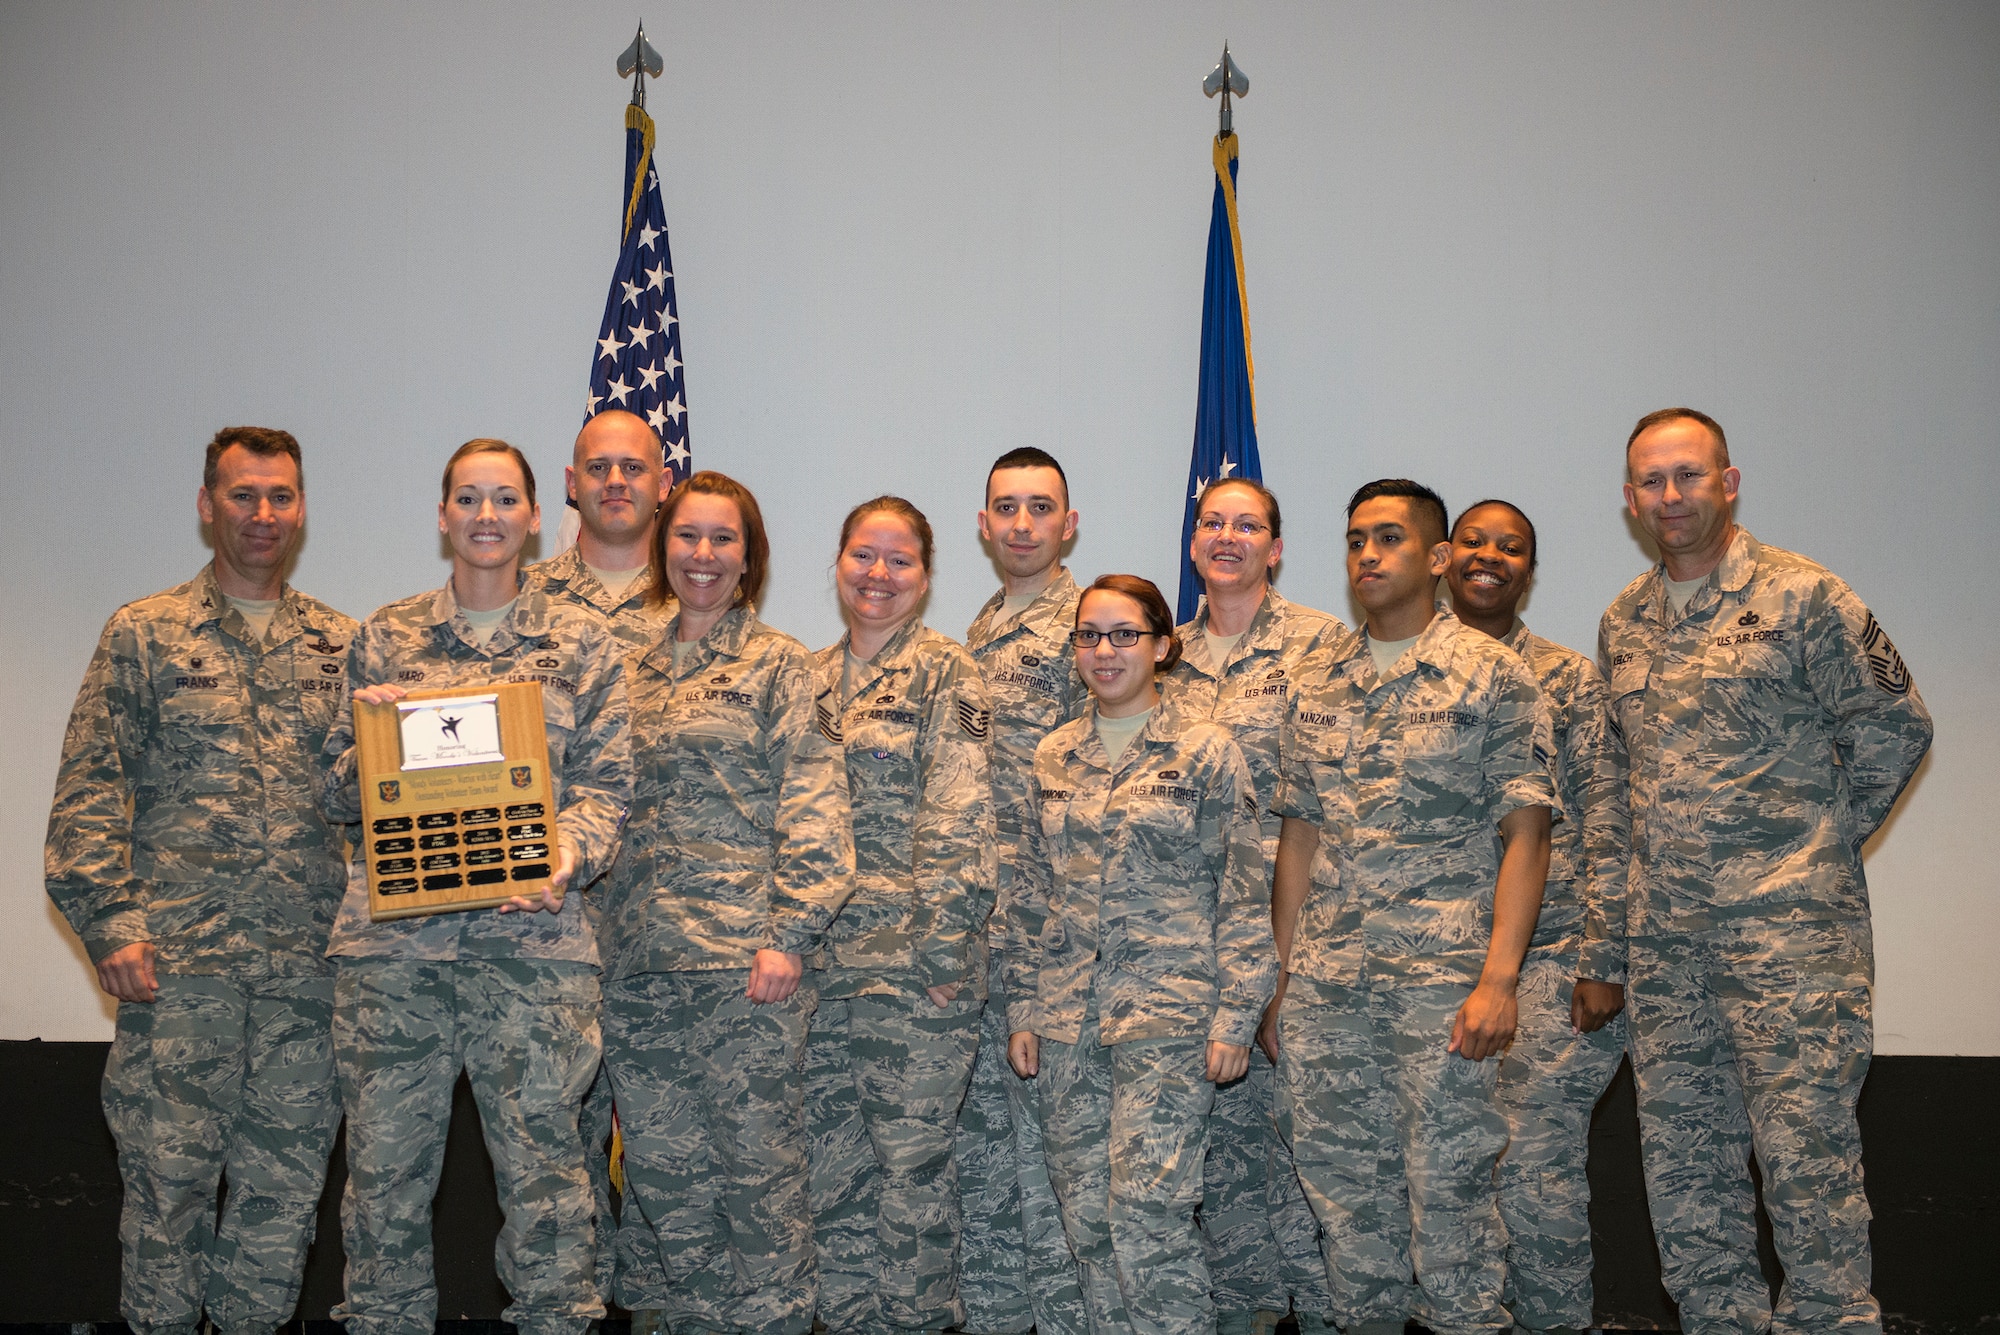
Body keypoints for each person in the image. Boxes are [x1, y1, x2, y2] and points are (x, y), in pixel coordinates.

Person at [1601, 408, 1932, 1334]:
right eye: (1652, 481)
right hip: (1667, 951)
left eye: (1689, 475)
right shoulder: (1623, 621)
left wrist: (1811, 850)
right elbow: (1626, 780)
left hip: (1787, 939)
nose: (1671, 496)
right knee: (1687, 1169)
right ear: (1629, 498)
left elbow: (1895, 725)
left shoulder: (1804, 596)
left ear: (1729, 481)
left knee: (1806, 1158)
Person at [46, 426, 354, 1335]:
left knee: (280, 1207)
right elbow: (89, 791)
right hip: (178, 974)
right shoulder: (144, 634)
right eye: (243, 494)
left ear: (301, 508)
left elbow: (376, 809)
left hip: (308, 979)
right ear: (205, 503)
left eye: (281, 496)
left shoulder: (343, 646)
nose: (264, 515)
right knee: (167, 1198)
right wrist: (110, 925)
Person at [320, 438, 632, 1335]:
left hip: (532, 950)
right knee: (381, 1180)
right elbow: (339, 792)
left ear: (538, 517)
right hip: (393, 956)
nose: (486, 515)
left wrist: (565, 854)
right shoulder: (384, 636)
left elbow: (609, 789)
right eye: (468, 498)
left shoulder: (583, 643)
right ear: (443, 514)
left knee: (545, 1183)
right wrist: (371, 742)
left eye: (505, 499)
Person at [1271, 479, 1556, 1335]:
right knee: (1345, 1207)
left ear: (1436, 558)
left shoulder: (1496, 674)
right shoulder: (1314, 679)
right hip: (1329, 989)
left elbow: (1527, 836)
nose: (1368, 554)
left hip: (1444, 987)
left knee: (1453, 1201)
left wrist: (1500, 980)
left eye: (1390, 538)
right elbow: (1298, 841)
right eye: (1357, 538)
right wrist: (1284, 983)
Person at [595, 469, 854, 1335]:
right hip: (635, 967)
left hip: (746, 969)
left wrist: (789, 934)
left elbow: (816, 807)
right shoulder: (619, 666)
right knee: (668, 1181)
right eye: (687, 536)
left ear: (750, 556)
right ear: (661, 545)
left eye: (723, 539)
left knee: (759, 1178)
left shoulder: (780, 664)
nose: (702, 555)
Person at [1007, 574, 1272, 1335]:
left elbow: (1243, 890)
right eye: (1089, 634)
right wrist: (1025, 1007)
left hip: (1169, 1016)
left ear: (1162, 645)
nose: (1104, 649)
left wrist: (1237, 1013)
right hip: (1066, 1023)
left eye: (1125, 634)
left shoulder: (1207, 751)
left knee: (1149, 1219)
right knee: (1087, 1220)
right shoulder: (1054, 754)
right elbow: (1030, 895)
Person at [805, 496, 995, 1335]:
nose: (877, 575)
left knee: (910, 1177)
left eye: (899, 560)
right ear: (839, 561)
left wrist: (945, 957)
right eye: (862, 555)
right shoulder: (804, 678)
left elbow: (959, 817)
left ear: (925, 576)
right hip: (815, 971)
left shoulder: (947, 673)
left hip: (913, 971)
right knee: (833, 1178)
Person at [1444, 498, 1630, 1335]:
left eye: (1510, 547)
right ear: (1444, 557)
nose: (1490, 556)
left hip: (1554, 960)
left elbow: (1608, 816)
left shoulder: (1566, 679)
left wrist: (1604, 957)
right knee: (1451, 1174)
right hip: (1437, 966)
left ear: (1529, 568)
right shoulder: (1410, 673)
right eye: (1475, 542)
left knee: (1532, 1166)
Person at [1165, 477, 1344, 1335]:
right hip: (1190, 945)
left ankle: (1327, 1314)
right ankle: (1245, 1313)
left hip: (1305, 938)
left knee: (1311, 1161)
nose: (1227, 536)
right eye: (1212, 522)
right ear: (1193, 541)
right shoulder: (1159, 657)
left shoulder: (1325, 647)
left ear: (1275, 547)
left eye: (1249, 525)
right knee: (1226, 1163)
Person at [529, 407, 674, 1322]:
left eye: (636, 467)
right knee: (553, 1156)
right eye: (599, 467)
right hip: (547, 929)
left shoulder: (703, 594)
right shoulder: (521, 605)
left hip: (673, 936)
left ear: (665, 482)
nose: (617, 481)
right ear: (572, 484)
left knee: (670, 1161)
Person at [957, 447, 1090, 1335]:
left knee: (1058, 1155)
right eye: (1006, 507)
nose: (1022, 523)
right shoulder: (979, 628)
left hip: (1057, 927)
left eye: (1040, 507)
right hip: (981, 924)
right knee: (987, 1150)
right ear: (983, 523)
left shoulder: (1093, 622)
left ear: (1068, 523)